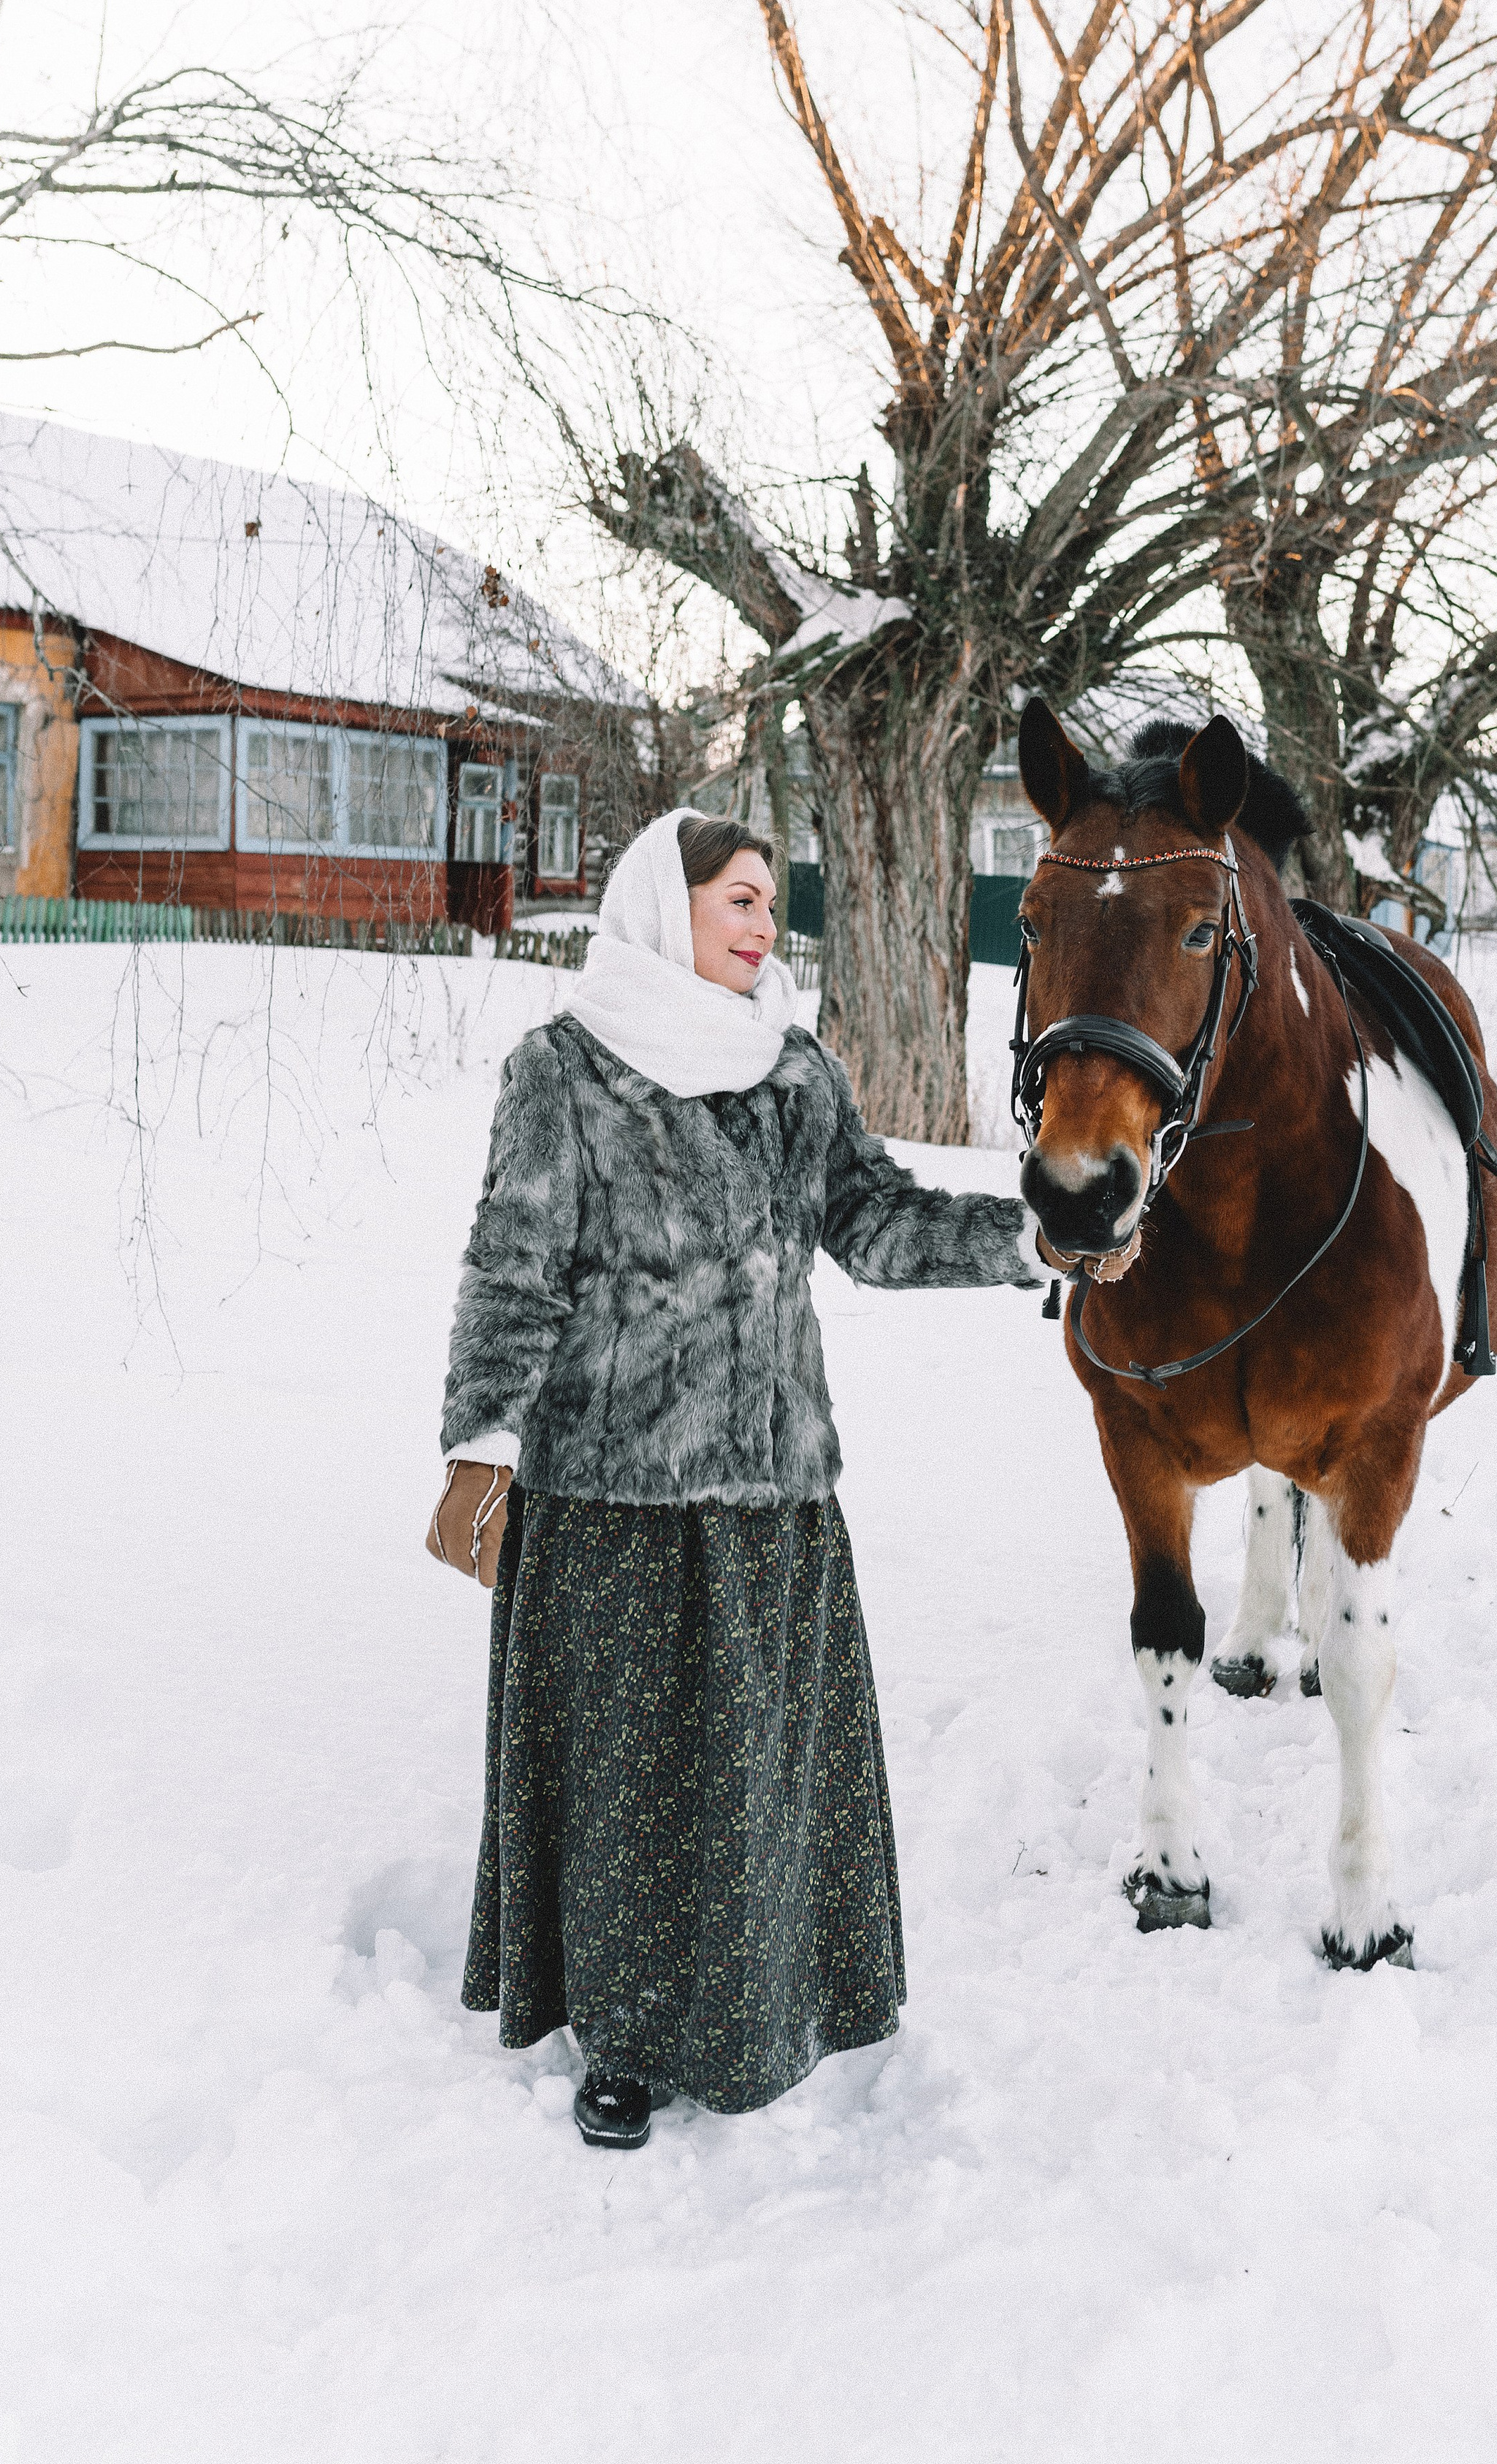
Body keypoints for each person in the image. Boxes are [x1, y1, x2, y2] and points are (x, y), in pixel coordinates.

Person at [431, 808, 1040, 2149]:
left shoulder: (793, 1076)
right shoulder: (567, 1071)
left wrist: (1027, 1238)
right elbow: (512, 1271)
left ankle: (770, 2004)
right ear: (669, 907)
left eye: (771, 905)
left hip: (774, 1496)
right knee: (630, 1788)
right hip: (612, 1506)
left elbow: (877, 1223)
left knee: (752, 1780)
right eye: (741, 902)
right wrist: (481, 1450)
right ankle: (628, 2048)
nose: (766, 928)